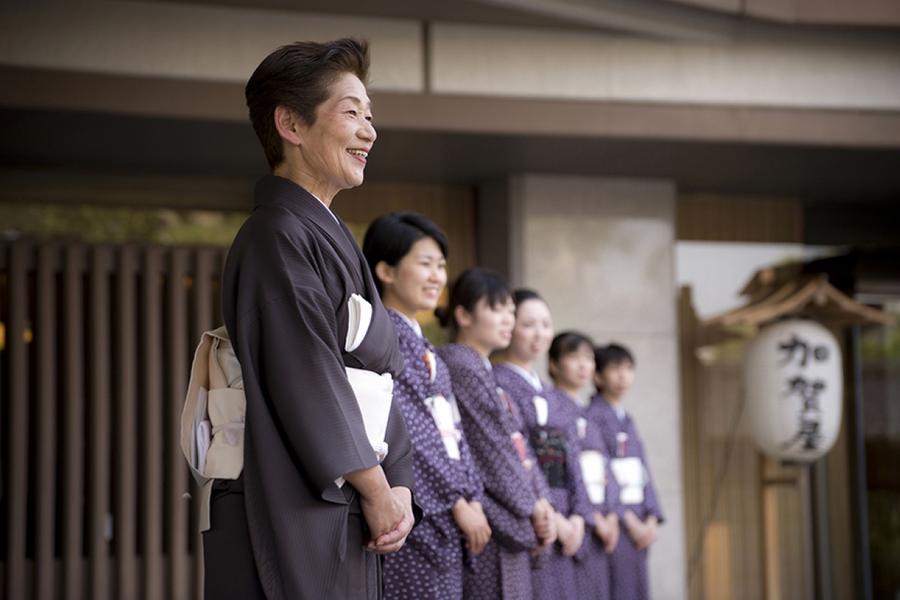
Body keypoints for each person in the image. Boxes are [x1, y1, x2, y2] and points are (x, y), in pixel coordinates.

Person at [214, 39, 417, 600]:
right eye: (351, 112)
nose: (369, 132)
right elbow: (307, 376)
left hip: (353, 495)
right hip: (302, 499)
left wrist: (398, 485)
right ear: (291, 125)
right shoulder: (275, 235)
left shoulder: (326, 236)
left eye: (370, 116)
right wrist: (378, 491)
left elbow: (378, 380)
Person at [362, 213, 490, 599]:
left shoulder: (425, 347)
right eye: (425, 264)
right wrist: (455, 502)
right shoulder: (381, 337)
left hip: (449, 517)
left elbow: (453, 434)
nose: (437, 276)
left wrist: (471, 496)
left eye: (441, 266)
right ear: (385, 270)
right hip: (418, 517)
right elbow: (410, 432)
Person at [436, 269, 557, 600]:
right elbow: (493, 450)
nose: (508, 320)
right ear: (462, 314)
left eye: (510, 311)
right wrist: (533, 506)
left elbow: (520, 449)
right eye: (497, 309)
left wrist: (544, 502)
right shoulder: (462, 366)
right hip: (497, 514)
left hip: (522, 507)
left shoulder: (485, 370)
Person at [493, 291, 593, 599]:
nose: (540, 333)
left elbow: (572, 457)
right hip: (536, 514)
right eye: (529, 324)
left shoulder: (552, 394)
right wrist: (556, 519)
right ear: (510, 326)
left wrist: (578, 515)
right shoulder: (498, 382)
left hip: (567, 515)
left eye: (546, 324)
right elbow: (512, 456)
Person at [587, 343, 664, 600]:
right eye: (614, 369)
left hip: (639, 518)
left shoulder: (626, 418)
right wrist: (629, 521)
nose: (623, 376)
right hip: (616, 521)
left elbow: (642, 470)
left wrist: (651, 517)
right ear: (597, 376)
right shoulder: (592, 416)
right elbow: (602, 472)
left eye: (628, 368)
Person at [548, 331, 621, 600]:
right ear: (554, 364)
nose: (583, 365)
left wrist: (612, 514)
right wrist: (592, 517)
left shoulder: (590, 413)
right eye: (573, 357)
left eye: (588, 358)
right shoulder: (551, 405)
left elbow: (605, 467)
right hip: (576, 520)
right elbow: (565, 470)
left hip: (601, 522)